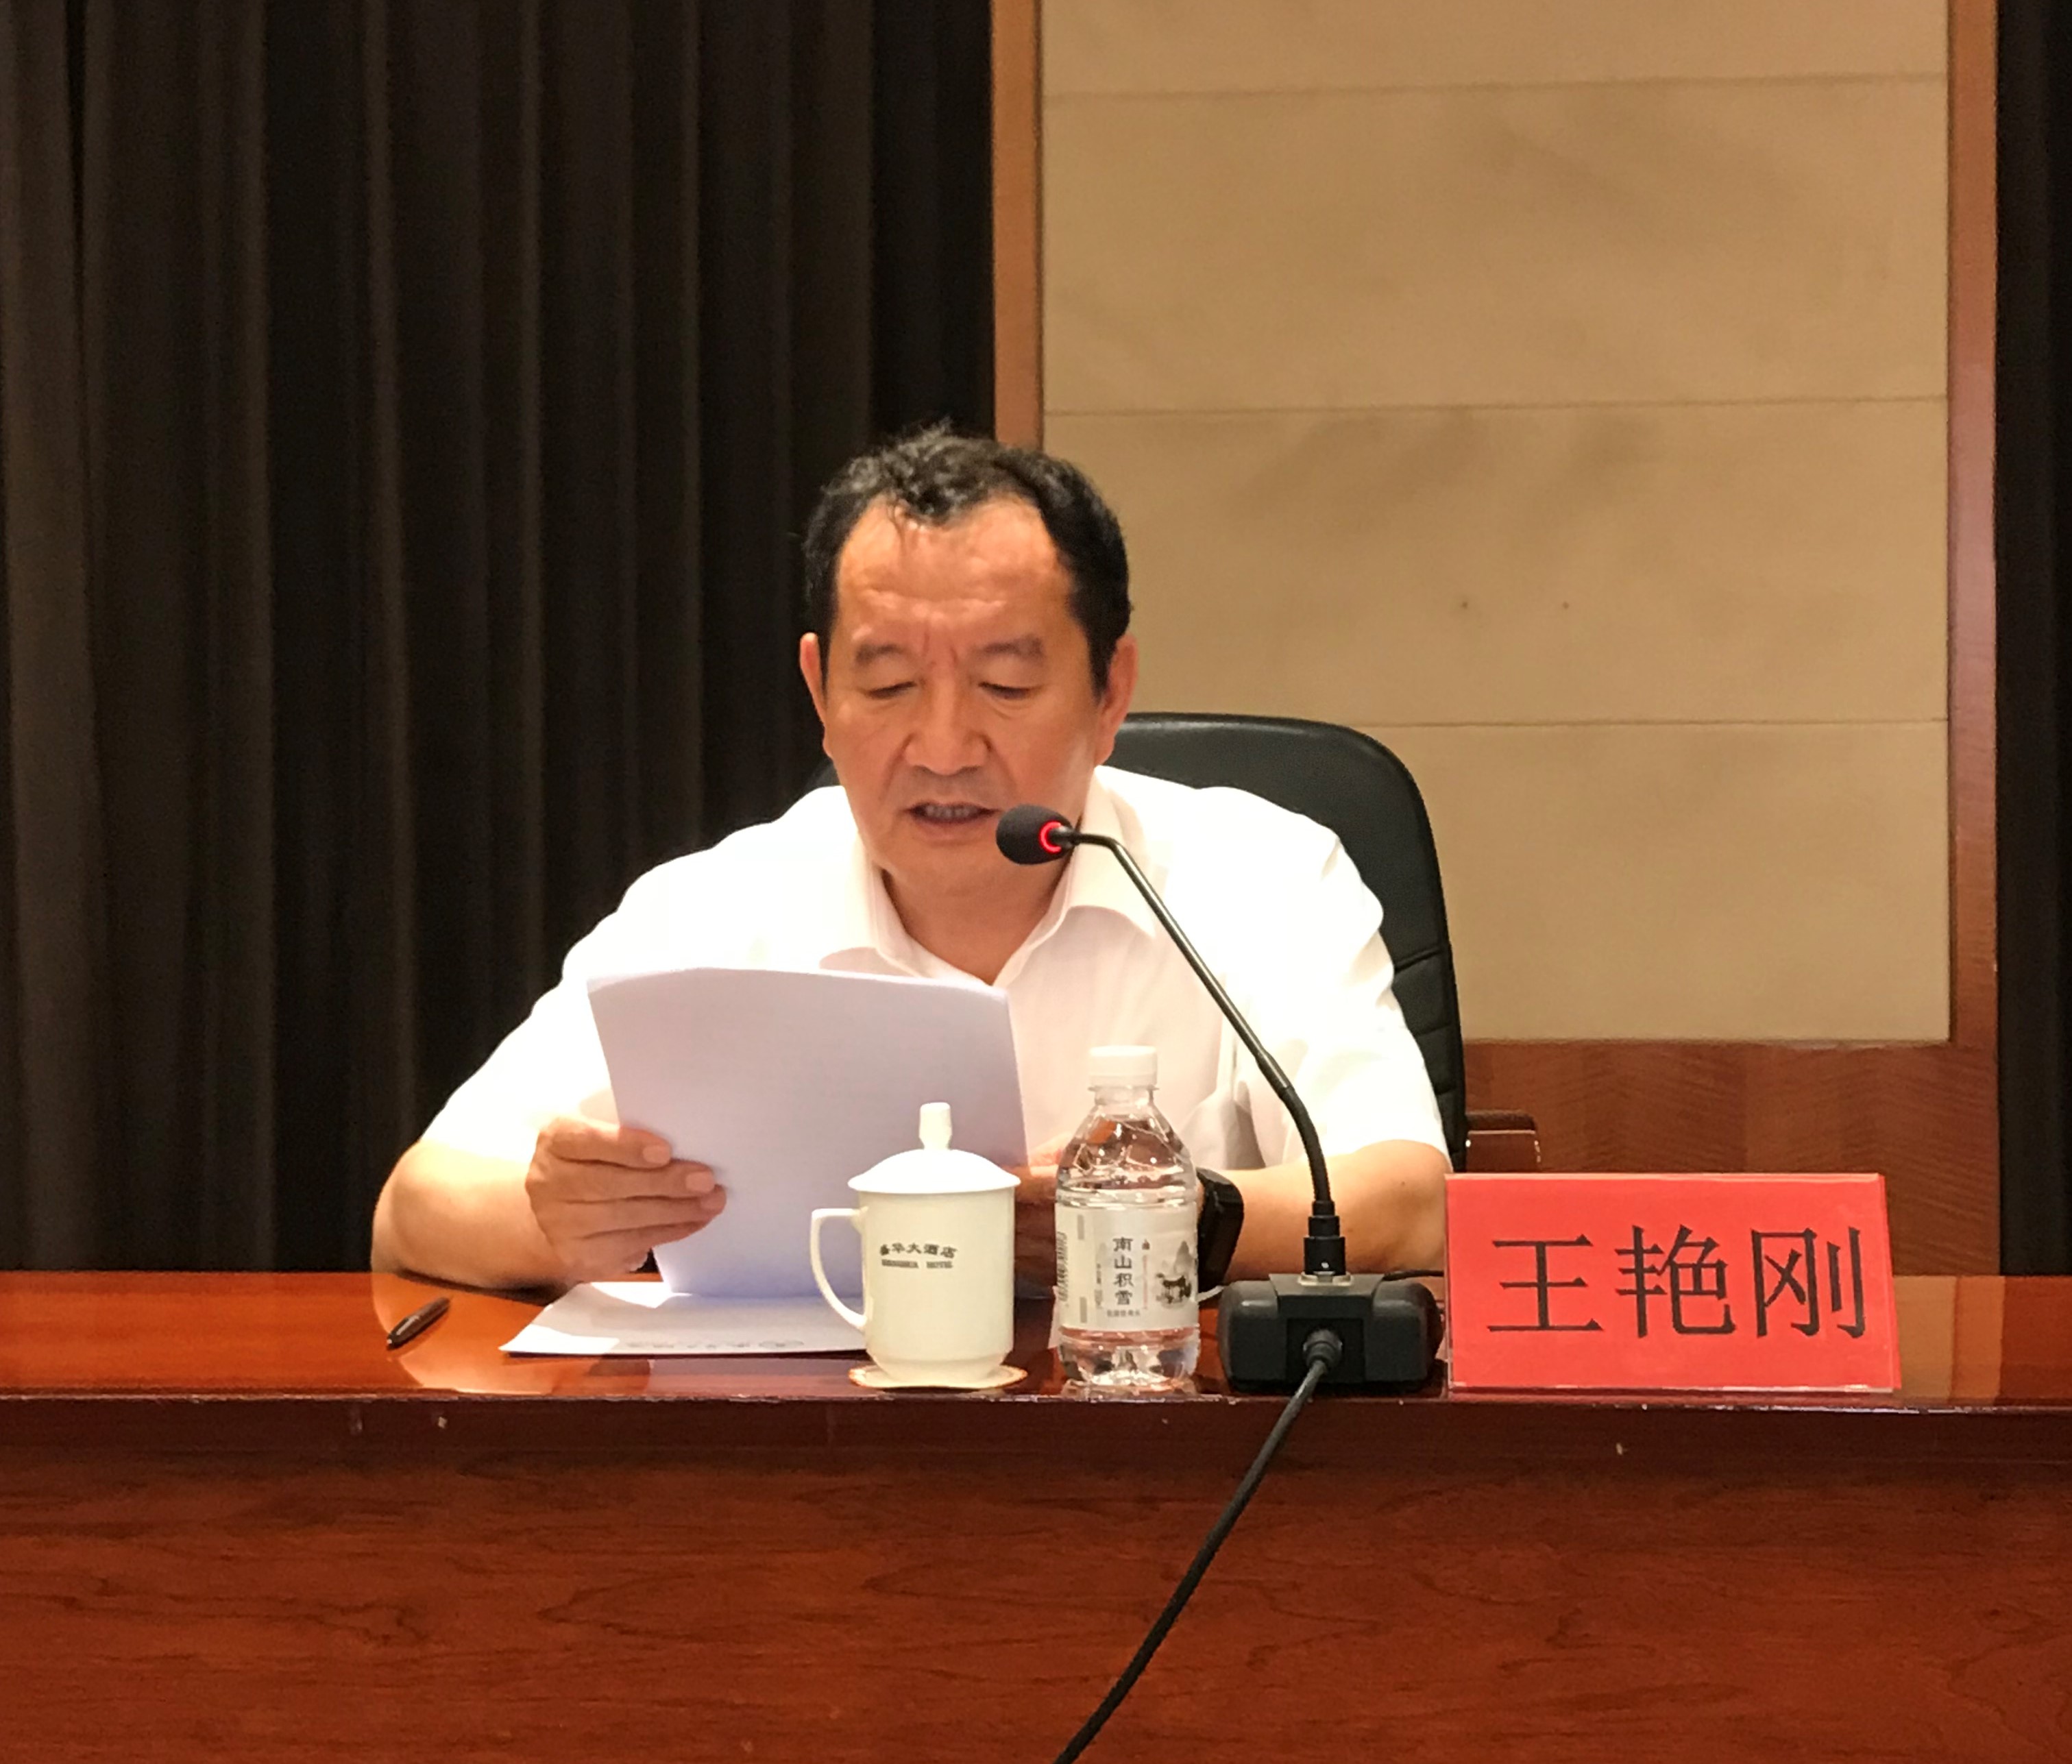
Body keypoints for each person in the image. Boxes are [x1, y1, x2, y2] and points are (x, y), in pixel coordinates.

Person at [371, 427, 1450, 1290]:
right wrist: (559, 1221)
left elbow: (1413, 1200)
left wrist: (1173, 1218)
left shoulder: (1261, 878)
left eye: (1005, 684)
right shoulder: (708, 911)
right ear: (819, 691)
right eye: (887, 685)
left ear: (1110, 690)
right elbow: (413, 1207)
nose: (942, 747)